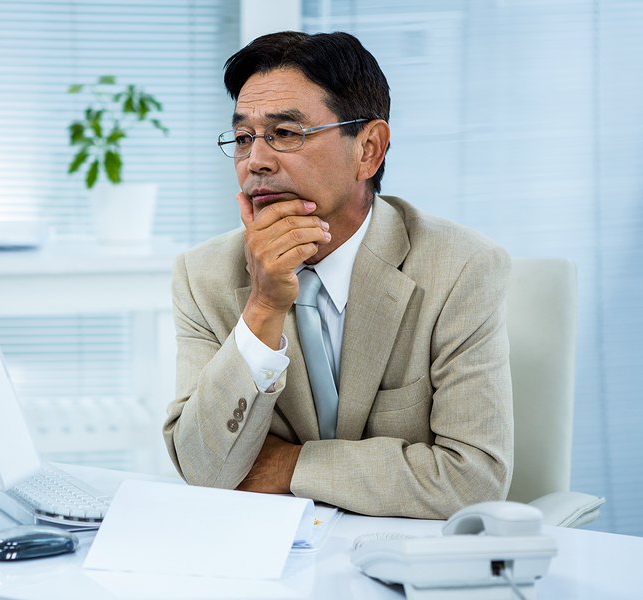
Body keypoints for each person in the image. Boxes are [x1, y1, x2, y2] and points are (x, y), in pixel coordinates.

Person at [162, 31, 513, 520]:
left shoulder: (461, 267)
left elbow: (473, 482)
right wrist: (263, 309)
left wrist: (289, 465)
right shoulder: (203, 275)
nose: (256, 161)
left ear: (368, 149)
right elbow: (204, 469)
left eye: (286, 133)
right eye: (243, 138)